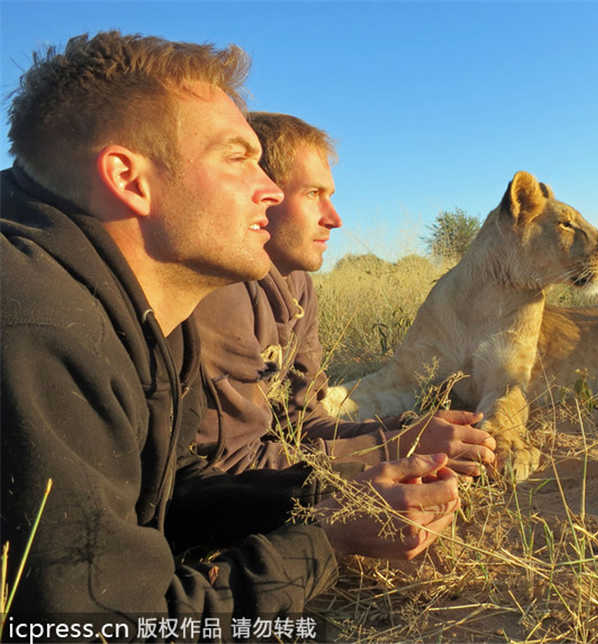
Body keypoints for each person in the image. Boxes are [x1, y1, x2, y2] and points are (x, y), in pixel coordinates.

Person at [1, 31, 458, 623]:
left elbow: (168, 497)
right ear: (130, 178)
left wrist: (332, 501)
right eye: (237, 158)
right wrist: (328, 543)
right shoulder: (36, 330)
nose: (268, 190)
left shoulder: (150, 309)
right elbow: (96, 626)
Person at [192, 111, 497, 477]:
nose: (335, 219)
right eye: (312, 194)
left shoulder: (297, 283)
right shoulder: (221, 291)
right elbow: (228, 465)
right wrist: (393, 449)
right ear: (262, 193)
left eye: (330, 195)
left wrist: (405, 431)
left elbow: (301, 423)